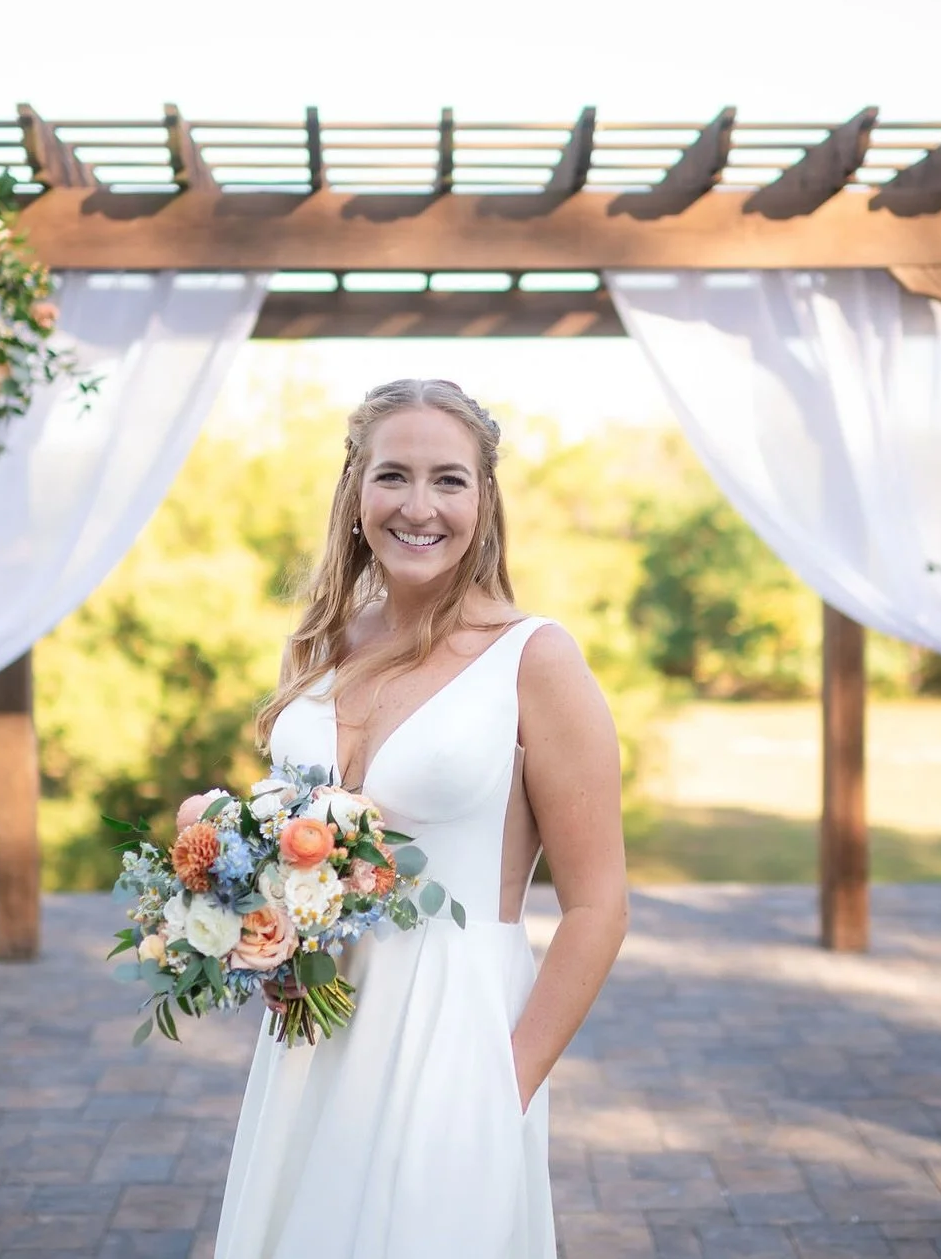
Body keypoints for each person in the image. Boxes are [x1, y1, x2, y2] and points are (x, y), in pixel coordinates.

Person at [211, 378, 628, 1259]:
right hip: (309, 1033)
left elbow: (599, 906)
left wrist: (507, 1084)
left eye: (449, 479)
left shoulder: (534, 658)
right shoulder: (322, 642)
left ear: (486, 500)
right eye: (393, 475)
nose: (419, 506)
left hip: (456, 1033)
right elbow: (295, 847)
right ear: (356, 492)